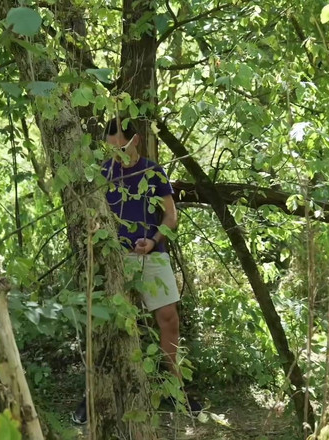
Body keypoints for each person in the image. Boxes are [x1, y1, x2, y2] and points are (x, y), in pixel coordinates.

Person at [71, 117, 202, 424]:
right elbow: (93, 219)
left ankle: (177, 389)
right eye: (112, 147)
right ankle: (93, 395)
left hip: (152, 255)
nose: (118, 152)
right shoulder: (102, 173)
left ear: (136, 141)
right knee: (104, 327)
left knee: (169, 319)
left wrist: (153, 239)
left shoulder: (152, 171)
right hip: (116, 260)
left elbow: (171, 217)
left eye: (123, 145)